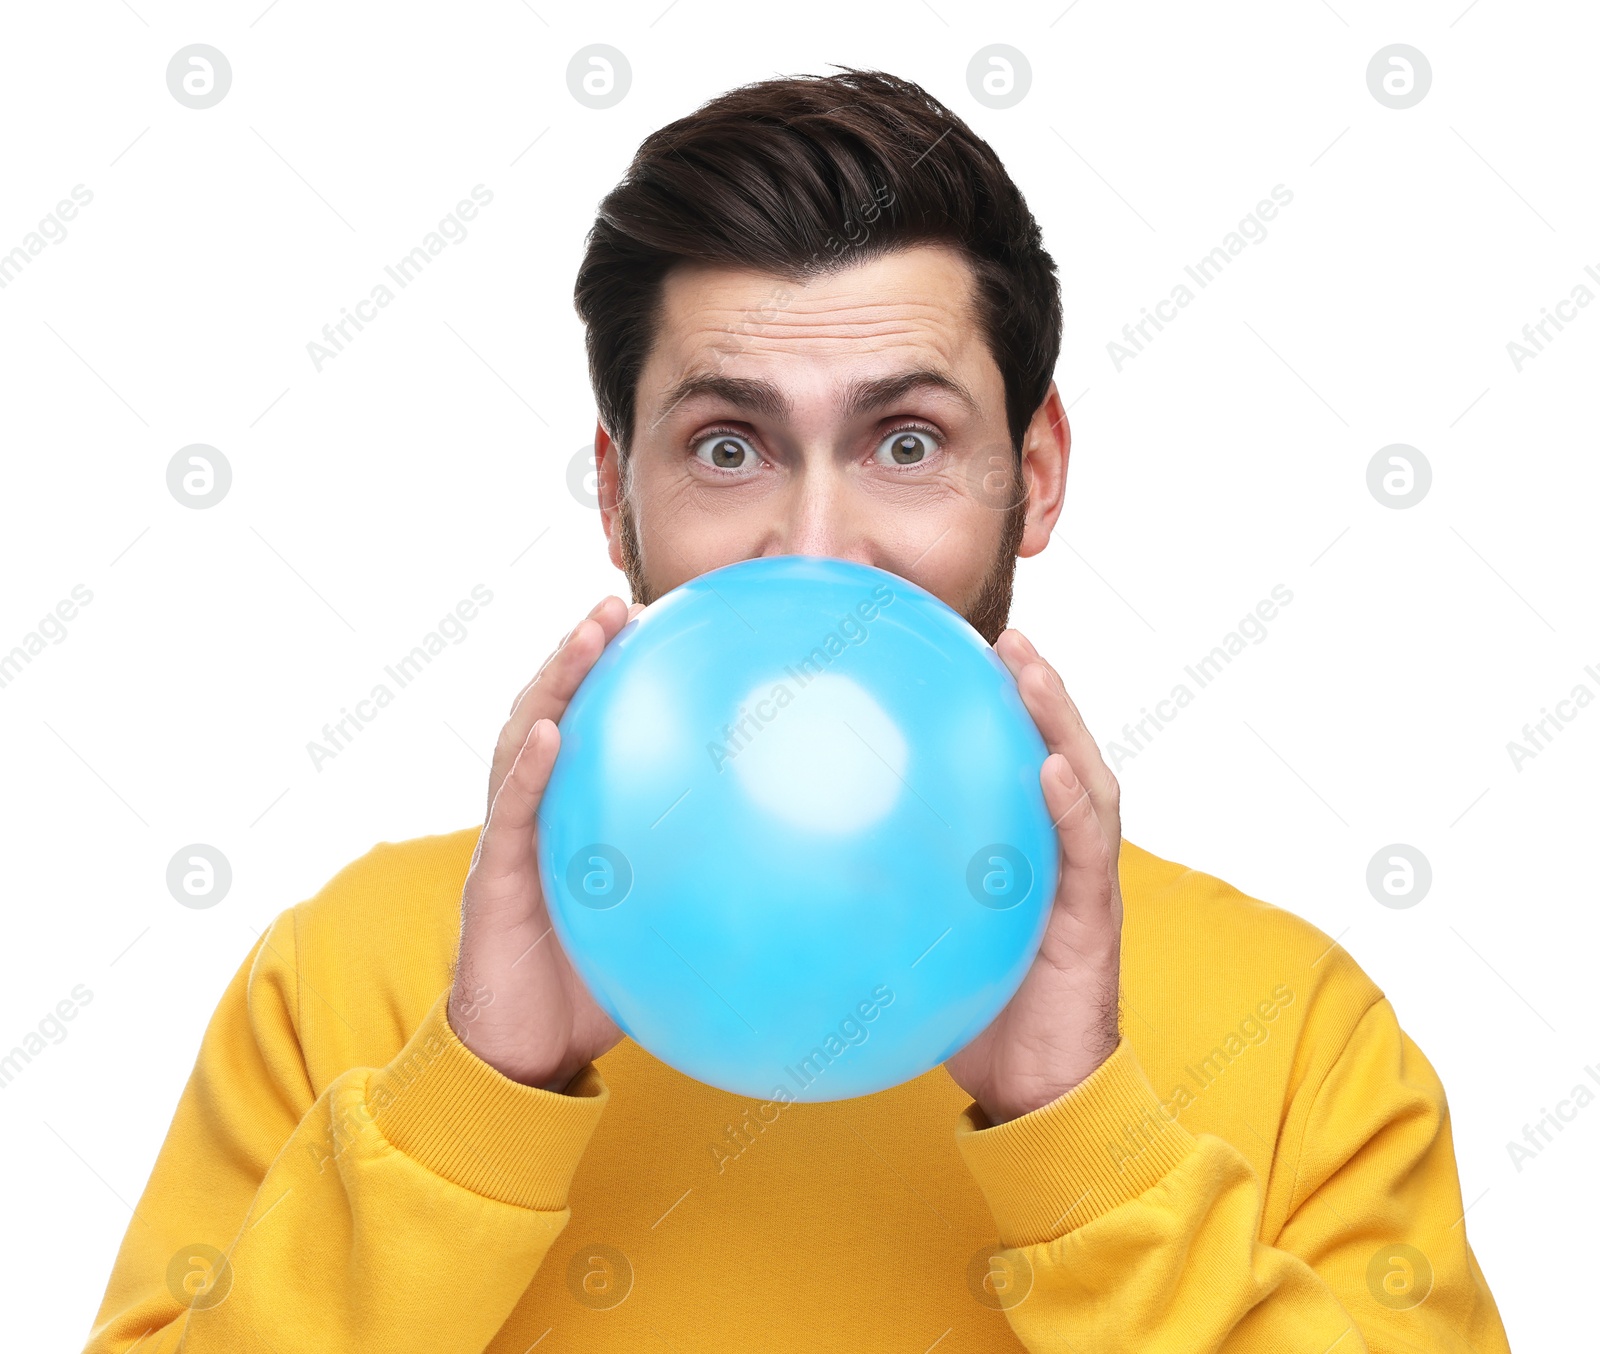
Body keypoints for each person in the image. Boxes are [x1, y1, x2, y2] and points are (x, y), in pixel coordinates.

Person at [84, 68, 1512, 1353]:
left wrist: (1087, 1143)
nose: (818, 550)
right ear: (613, 490)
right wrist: (475, 1093)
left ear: (1039, 472)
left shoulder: (1298, 1028)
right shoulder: (349, 978)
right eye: (727, 446)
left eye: (906, 441)